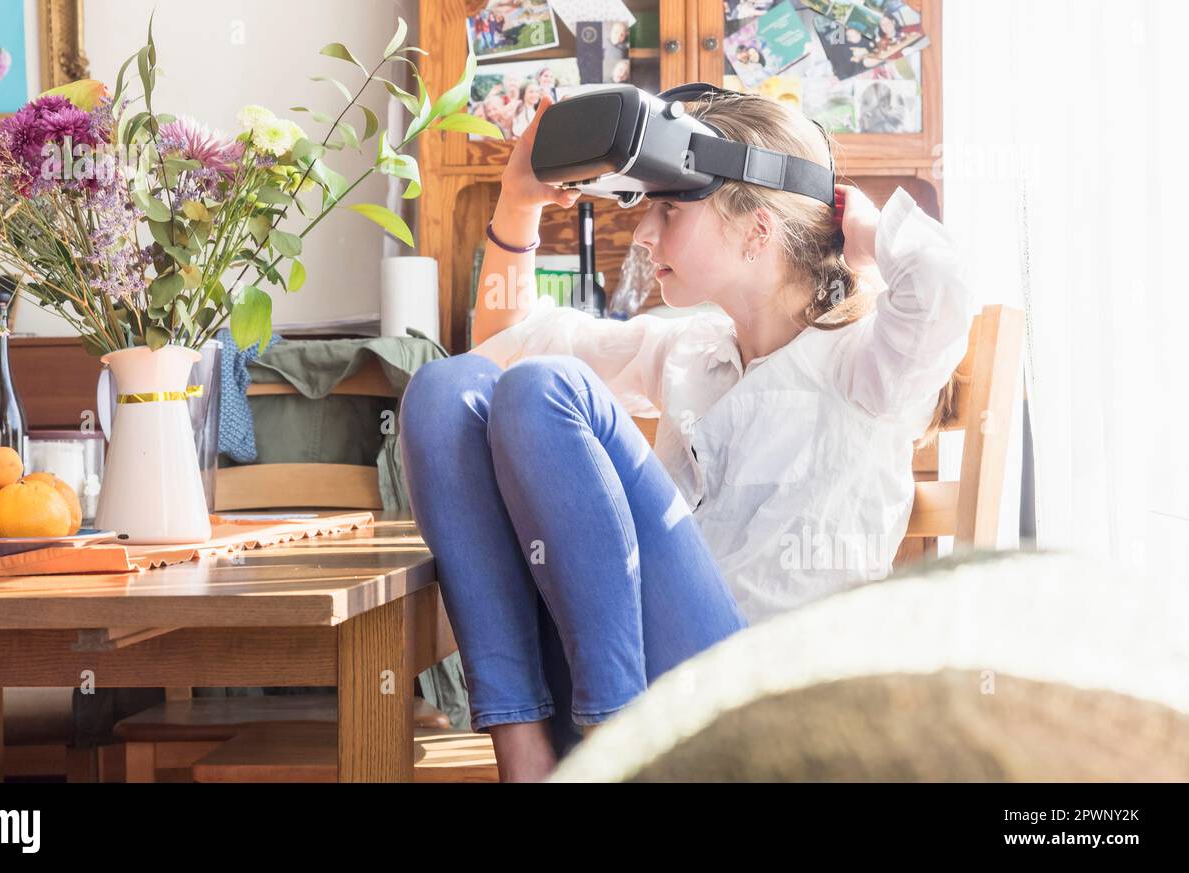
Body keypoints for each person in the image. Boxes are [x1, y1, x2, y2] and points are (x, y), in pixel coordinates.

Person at [399, 90, 972, 782]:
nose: (644, 234)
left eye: (669, 210)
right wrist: (518, 201)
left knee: (545, 391)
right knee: (440, 391)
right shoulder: (690, 353)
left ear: (758, 232)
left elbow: (944, 290)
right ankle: (526, 753)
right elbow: (499, 352)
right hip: (650, 683)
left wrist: (869, 229)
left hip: (768, 722)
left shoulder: (868, 366)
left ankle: (619, 748)